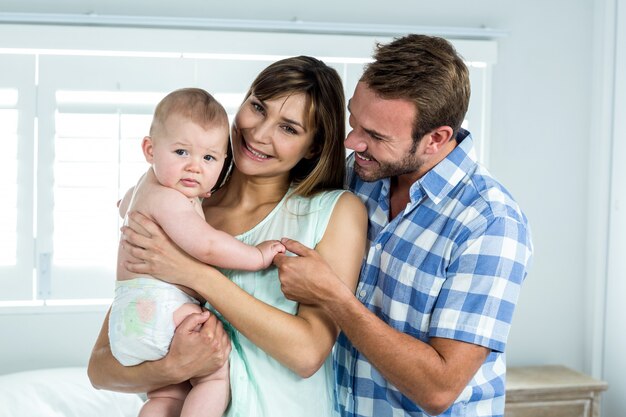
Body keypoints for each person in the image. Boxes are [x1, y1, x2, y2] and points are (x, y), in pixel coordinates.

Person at [88, 56, 368, 417]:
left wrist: (192, 274)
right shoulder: (180, 206)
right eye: (257, 107)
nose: (260, 133)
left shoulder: (334, 211)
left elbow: (307, 353)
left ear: (313, 147)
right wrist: (171, 368)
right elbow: (101, 368)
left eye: (289, 129)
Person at [274, 34, 533, 417]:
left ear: (436, 139)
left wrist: (333, 296)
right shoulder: (357, 177)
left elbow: (439, 388)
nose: (351, 142)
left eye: (375, 136)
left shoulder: (491, 224)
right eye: (354, 121)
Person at [110, 87, 285, 417]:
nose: (194, 167)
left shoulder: (142, 189)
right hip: (165, 311)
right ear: (150, 149)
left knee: (165, 398)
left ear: (223, 161)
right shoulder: (170, 199)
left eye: (208, 158)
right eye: (181, 152)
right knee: (215, 376)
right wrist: (257, 256)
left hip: (128, 321)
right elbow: (207, 245)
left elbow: (123, 209)